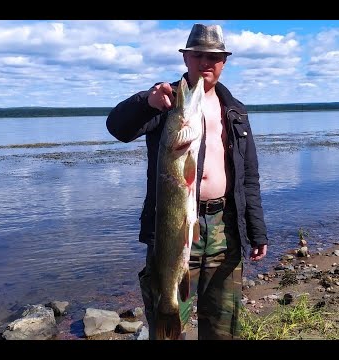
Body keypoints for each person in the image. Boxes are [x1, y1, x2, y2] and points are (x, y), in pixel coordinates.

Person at [106, 23, 269, 340]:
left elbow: (249, 177)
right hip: (173, 230)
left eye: (214, 56)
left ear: (224, 61)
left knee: (224, 328)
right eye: (198, 55)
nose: (206, 62)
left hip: (226, 229)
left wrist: (257, 229)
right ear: (186, 58)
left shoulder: (234, 110)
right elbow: (117, 127)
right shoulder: (166, 101)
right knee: (168, 325)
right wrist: (145, 102)